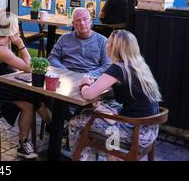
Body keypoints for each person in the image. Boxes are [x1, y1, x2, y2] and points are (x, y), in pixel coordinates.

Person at [69, 30, 161, 161]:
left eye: (108, 43)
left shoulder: (118, 68)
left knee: (76, 121)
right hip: (150, 128)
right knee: (93, 112)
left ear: (114, 47)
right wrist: (99, 85)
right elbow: (124, 88)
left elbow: (88, 95)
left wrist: (84, 84)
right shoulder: (139, 65)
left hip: (134, 131)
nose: (106, 45)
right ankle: (111, 154)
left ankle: (84, 157)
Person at [0, 13, 50, 159]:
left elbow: (11, 66)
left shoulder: (0, 39)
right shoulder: (1, 48)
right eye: (16, 24)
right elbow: (29, 67)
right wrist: (21, 45)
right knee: (30, 102)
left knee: (34, 96)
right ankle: (25, 143)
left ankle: (51, 126)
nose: (18, 27)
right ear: (11, 28)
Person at [48, 8, 111, 78]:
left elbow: (107, 65)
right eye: (78, 20)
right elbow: (52, 57)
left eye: (85, 19)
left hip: (90, 79)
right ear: (73, 24)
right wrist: (64, 71)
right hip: (66, 76)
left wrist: (89, 75)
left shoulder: (103, 41)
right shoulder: (64, 38)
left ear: (90, 21)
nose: (82, 23)